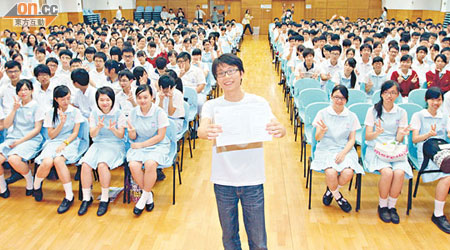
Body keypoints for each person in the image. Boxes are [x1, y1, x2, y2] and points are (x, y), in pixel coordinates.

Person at [198, 54, 286, 250]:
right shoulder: (212, 106)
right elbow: (202, 128)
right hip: (223, 181)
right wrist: (204, 131)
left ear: (241, 73)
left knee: (258, 241)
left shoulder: (258, 103)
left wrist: (281, 129)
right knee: (229, 239)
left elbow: (276, 125)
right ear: (216, 79)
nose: (226, 77)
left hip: (252, 180)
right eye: (220, 73)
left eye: (230, 71)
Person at [364, 80, 412, 224]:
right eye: (386, 92)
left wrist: (402, 133)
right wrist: (377, 133)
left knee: (399, 173)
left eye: (393, 93)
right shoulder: (372, 110)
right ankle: (382, 205)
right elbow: (367, 136)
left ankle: (392, 206)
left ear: (398, 95)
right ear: (381, 94)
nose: (389, 96)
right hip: (376, 147)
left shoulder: (401, 112)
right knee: (387, 172)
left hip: (394, 149)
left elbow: (398, 138)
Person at [311, 85, 363, 212]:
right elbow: (317, 138)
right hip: (326, 148)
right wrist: (322, 131)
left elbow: (352, 139)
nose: (339, 100)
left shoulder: (351, 116)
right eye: (336, 97)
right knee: (331, 173)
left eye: (342, 98)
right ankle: (338, 197)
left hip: (344, 149)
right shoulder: (322, 113)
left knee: (348, 173)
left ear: (347, 99)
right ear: (331, 97)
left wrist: (343, 153)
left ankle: (331, 190)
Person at [33, 85, 84, 214]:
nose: (66, 102)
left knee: (59, 161)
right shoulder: (50, 113)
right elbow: (51, 135)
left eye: (68, 98)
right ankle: (36, 186)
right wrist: (61, 123)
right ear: (56, 99)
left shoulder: (75, 112)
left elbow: (75, 133)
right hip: (54, 141)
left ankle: (69, 196)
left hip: (70, 141)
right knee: (47, 162)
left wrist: (65, 143)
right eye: (63, 99)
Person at [78, 87, 126, 216]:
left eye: (107, 100)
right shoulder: (94, 113)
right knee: (85, 164)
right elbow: (92, 134)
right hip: (98, 144)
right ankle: (87, 198)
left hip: (114, 144)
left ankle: (104, 199)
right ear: (97, 101)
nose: (105, 103)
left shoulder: (119, 113)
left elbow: (121, 135)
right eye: (101, 100)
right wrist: (98, 127)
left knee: (102, 165)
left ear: (112, 100)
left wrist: (113, 129)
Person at [126, 84, 171, 216]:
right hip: (139, 143)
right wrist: (132, 133)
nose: (142, 100)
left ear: (152, 97)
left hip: (157, 145)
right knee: (133, 165)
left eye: (146, 97)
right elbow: (133, 137)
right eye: (139, 98)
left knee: (150, 163)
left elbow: (160, 136)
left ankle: (143, 198)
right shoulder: (133, 112)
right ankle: (148, 195)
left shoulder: (159, 112)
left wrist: (142, 145)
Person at [410, 87, 450, 233]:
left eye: (439, 100)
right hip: (426, 155)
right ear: (426, 100)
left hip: (443, 151)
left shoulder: (444, 116)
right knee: (447, 177)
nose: (436, 103)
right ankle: (438, 214)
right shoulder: (418, 115)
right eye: (433, 99)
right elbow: (414, 139)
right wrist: (428, 134)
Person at [0, 79, 44, 198]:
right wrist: (14, 110)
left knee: (14, 159)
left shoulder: (36, 106)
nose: (23, 92)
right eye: (20, 90)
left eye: (25, 89)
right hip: (13, 138)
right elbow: (6, 125)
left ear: (31, 90)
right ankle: (2, 187)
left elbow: (37, 129)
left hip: (31, 139)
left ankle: (30, 182)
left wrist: (19, 142)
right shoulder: (15, 105)